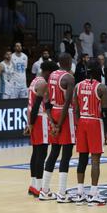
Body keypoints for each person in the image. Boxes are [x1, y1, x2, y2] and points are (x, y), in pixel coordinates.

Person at [71, 62, 107, 206]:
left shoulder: (78, 86)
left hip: (82, 121)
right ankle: (93, 193)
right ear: (98, 73)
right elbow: (105, 112)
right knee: (95, 159)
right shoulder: (101, 87)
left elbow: (75, 109)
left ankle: (80, 193)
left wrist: (78, 125)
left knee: (82, 158)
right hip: (94, 122)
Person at [39, 53, 76, 203]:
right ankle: (62, 193)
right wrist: (59, 124)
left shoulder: (52, 75)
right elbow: (68, 102)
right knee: (66, 154)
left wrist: (52, 121)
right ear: (68, 61)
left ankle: (45, 190)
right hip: (64, 114)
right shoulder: (69, 78)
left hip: (53, 111)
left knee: (54, 152)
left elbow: (46, 98)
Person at [23, 61, 57, 197]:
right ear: (48, 72)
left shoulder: (34, 81)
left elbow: (30, 104)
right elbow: (37, 104)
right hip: (40, 119)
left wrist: (29, 122)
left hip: (34, 118)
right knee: (41, 154)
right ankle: (39, 187)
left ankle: (33, 185)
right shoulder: (43, 83)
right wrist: (31, 123)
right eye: (52, 73)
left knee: (36, 152)